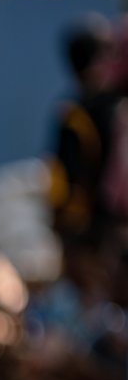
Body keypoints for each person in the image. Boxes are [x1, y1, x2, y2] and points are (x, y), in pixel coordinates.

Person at [48, 18, 119, 249]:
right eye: (110, 54)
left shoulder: (74, 111)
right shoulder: (82, 115)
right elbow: (65, 176)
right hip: (95, 228)